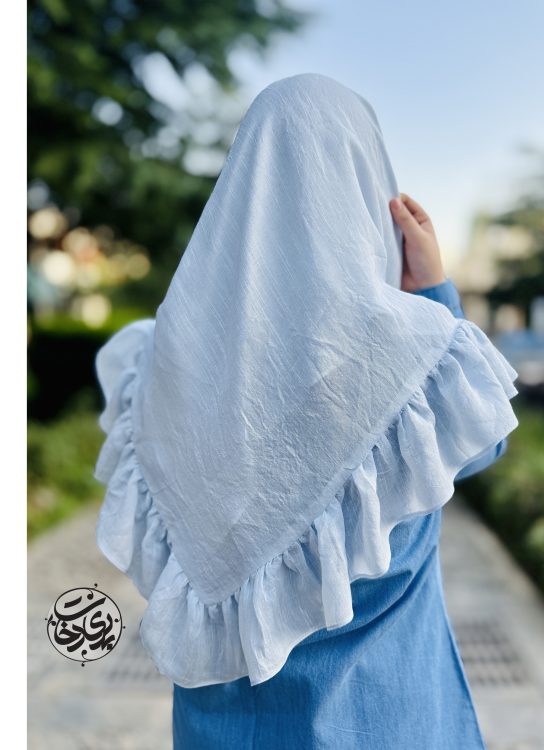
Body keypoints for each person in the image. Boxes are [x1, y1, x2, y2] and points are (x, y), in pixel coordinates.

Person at [93, 73, 519, 749]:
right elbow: (481, 443)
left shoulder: (163, 359)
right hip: (383, 724)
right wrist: (434, 290)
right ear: (367, 186)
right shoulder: (410, 358)